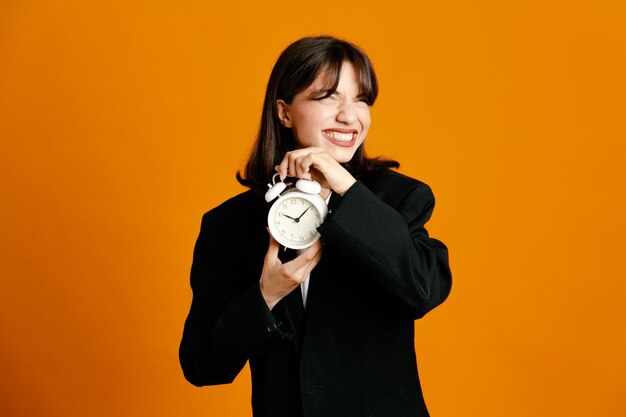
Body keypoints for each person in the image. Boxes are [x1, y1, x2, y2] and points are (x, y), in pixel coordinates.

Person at [179, 36, 452, 417]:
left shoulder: (399, 200)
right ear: (284, 112)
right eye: (328, 96)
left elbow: (423, 289)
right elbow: (201, 364)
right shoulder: (229, 224)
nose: (349, 115)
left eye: (361, 99)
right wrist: (265, 296)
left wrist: (343, 185)